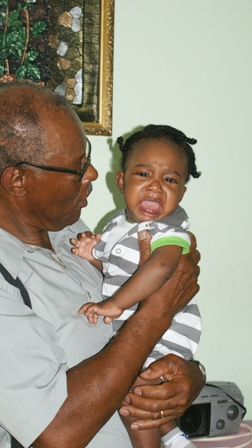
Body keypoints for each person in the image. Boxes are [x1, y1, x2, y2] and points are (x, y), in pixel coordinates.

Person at [0, 81, 203, 448]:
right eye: (77, 167)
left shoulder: (72, 231)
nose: (93, 174)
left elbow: (133, 339)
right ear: (18, 180)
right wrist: (157, 310)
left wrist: (190, 375)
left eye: (88, 158)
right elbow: (56, 434)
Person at [71, 125, 202, 448]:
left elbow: (160, 267)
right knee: (144, 387)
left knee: (133, 394)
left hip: (167, 331)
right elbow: (118, 270)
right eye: (143, 174)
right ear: (121, 181)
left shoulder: (171, 231)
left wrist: (115, 304)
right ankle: (174, 437)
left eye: (170, 180)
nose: (156, 187)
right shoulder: (118, 225)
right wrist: (92, 256)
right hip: (137, 324)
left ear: (182, 192)